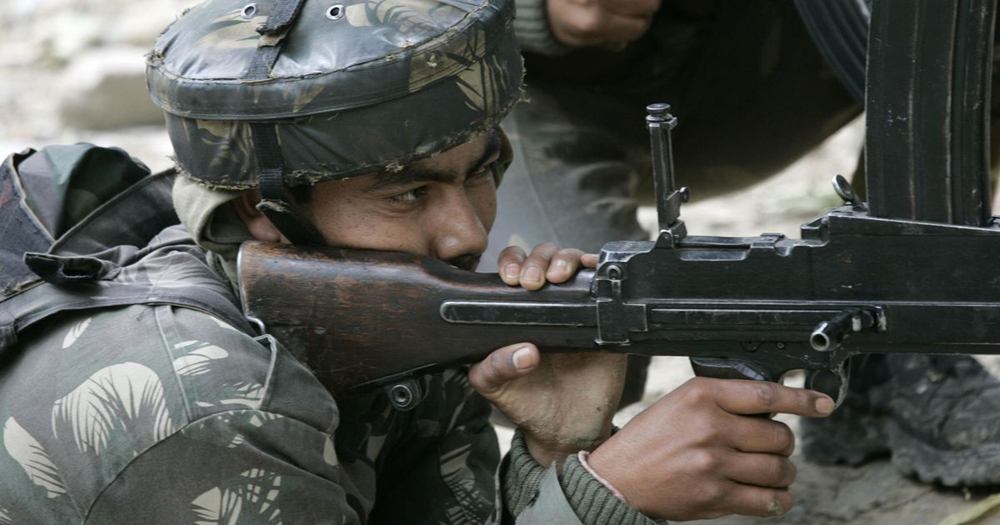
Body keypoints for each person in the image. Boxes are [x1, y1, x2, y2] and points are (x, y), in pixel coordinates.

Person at [0, 0, 833, 523]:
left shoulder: (380, 320)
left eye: (482, 172)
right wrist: (604, 497)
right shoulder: (206, 403)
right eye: (407, 193)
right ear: (262, 208)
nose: (465, 233)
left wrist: (559, 447)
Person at [497, 0, 1000, 486]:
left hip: (772, 40)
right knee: (565, 349)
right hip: (537, 91)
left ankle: (891, 362)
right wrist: (530, 9)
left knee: (964, 25)